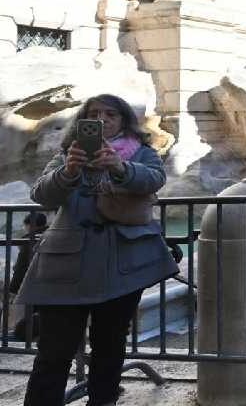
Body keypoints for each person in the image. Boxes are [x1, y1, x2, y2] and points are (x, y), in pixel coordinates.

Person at [18, 94, 178, 406]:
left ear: (123, 121)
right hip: (67, 263)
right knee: (54, 349)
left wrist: (120, 168)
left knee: (110, 343)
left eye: (111, 114)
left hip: (121, 261)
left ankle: (103, 400)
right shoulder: (67, 154)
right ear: (83, 122)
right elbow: (42, 195)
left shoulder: (141, 152)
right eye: (95, 114)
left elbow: (155, 179)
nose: (103, 119)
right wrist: (68, 172)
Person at [7, 212, 47, 342]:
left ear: (30, 225)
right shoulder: (51, 236)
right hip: (53, 285)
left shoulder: (27, 241)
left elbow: (21, 269)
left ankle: (31, 337)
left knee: (32, 315)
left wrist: (13, 289)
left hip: (33, 286)